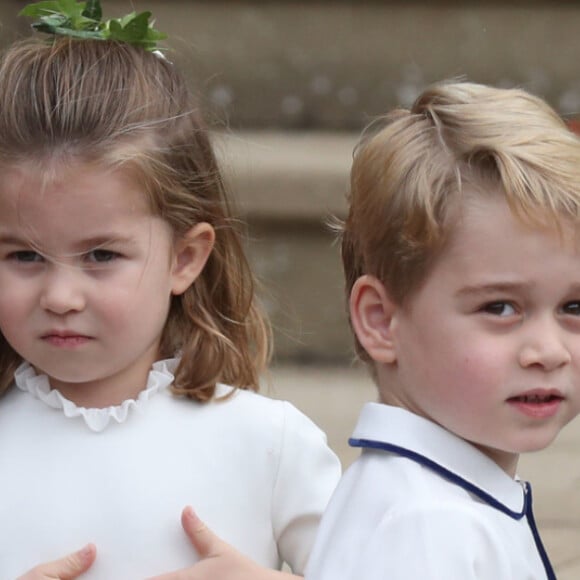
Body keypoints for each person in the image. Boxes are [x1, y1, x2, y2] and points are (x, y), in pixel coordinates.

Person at [0, 14, 341, 580]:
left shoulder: (267, 443)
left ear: (185, 258)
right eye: (23, 256)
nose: (60, 296)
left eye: (101, 256)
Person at [302, 81, 580, 579]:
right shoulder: (432, 527)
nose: (547, 350)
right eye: (500, 307)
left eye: (574, 306)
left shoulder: (433, 497)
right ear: (381, 321)